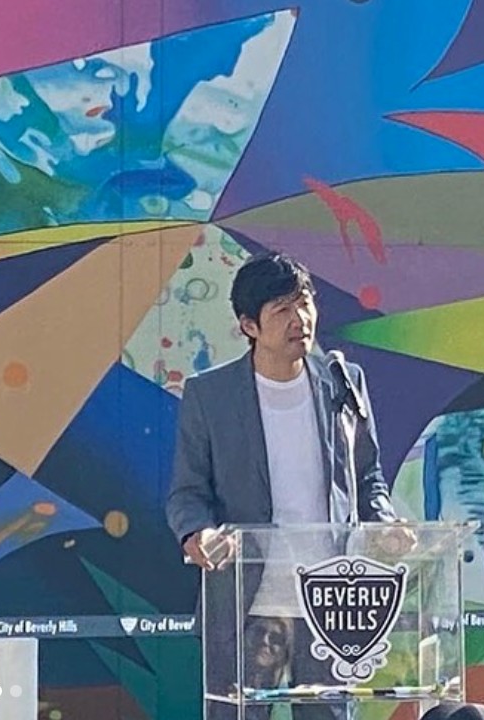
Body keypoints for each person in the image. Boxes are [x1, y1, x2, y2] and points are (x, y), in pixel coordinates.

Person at [166, 252, 399, 719]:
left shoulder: (342, 382)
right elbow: (188, 492)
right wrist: (198, 533)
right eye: (283, 310)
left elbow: (367, 477)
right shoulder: (210, 395)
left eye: (305, 303)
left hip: (330, 600)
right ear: (248, 325)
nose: (301, 320)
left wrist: (386, 523)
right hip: (248, 602)